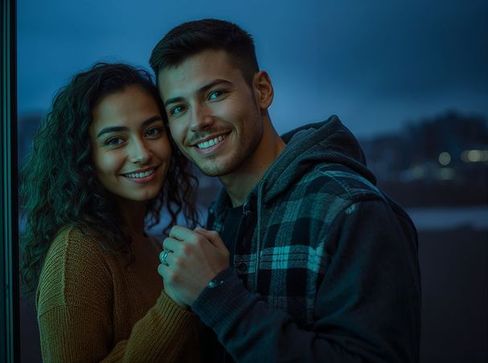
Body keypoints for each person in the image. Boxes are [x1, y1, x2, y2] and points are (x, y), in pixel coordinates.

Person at [149, 18, 421, 362]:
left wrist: (216, 294)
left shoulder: (351, 210)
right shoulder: (216, 223)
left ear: (262, 90)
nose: (197, 121)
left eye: (215, 94)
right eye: (178, 108)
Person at [20, 63, 202, 362]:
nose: (142, 153)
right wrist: (176, 299)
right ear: (84, 156)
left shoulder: (151, 245)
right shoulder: (77, 253)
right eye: (115, 140)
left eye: (153, 131)